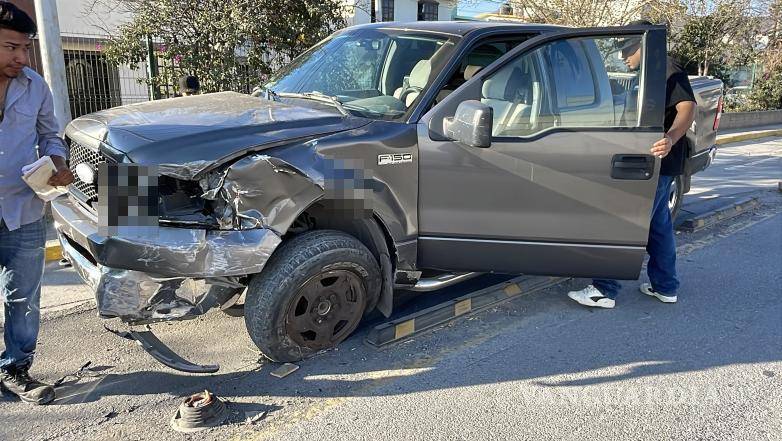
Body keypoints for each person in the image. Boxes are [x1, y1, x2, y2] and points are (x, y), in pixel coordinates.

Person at [567, 20, 697, 309]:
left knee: (622, 223)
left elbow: (687, 108)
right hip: (658, 164)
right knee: (658, 228)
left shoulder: (667, 67)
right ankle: (665, 286)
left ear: (644, 45)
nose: (623, 56)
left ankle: (605, 289)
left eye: (627, 49)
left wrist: (670, 138)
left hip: (655, 163)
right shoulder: (648, 73)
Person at [0, 1, 74, 404]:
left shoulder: (35, 86)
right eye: (11, 47)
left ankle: (15, 368)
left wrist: (58, 163)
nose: (22, 58)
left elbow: (49, 136)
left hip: (23, 211)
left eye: (25, 48)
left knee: (23, 299)